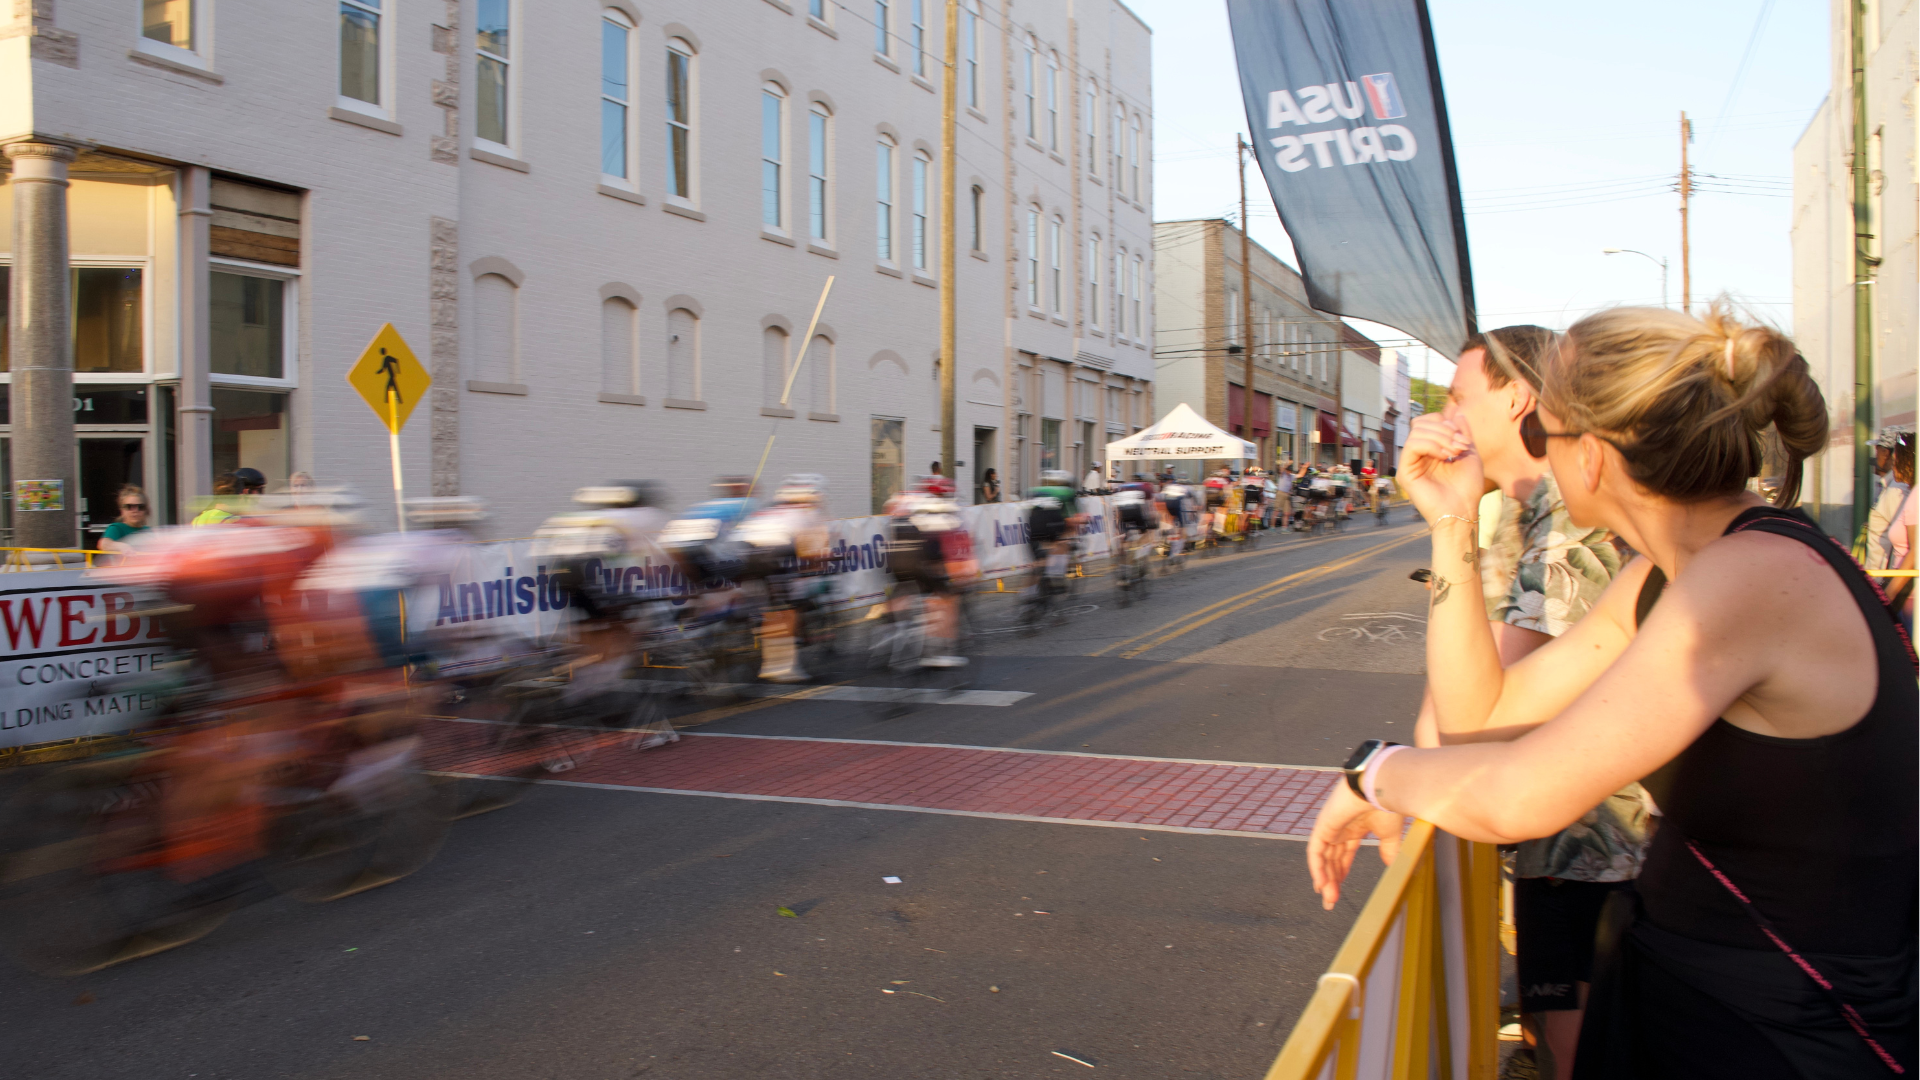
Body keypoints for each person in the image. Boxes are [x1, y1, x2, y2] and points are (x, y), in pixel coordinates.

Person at [1310, 304, 1916, 1078]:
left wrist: (1373, 772)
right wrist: (1452, 523)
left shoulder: (1747, 578)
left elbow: (1519, 794)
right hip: (1707, 992)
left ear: (1591, 455)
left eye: (1547, 437)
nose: (1543, 457)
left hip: (1785, 1032)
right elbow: (1479, 721)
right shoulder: (1674, 573)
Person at [1406, 325, 1636, 1080]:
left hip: (1590, 851)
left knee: (1572, 1052)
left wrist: (1390, 777)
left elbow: (1477, 720)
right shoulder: (1528, 513)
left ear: (1517, 397)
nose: (1445, 415)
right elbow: (1454, 706)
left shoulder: (1567, 526)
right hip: (1560, 845)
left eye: (1460, 396)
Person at [97, 485, 152, 553]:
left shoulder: (148, 531)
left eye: (140, 507)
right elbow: (104, 544)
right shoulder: (117, 528)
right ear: (122, 510)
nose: (135, 510)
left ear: (146, 510)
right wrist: (122, 546)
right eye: (129, 506)